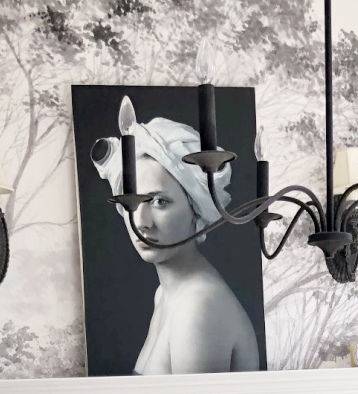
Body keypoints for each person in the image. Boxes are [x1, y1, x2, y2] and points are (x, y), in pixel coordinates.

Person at [92, 114, 261, 375]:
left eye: (160, 202)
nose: (142, 222)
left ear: (196, 209)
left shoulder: (198, 306)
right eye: (133, 203)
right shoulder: (167, 294)